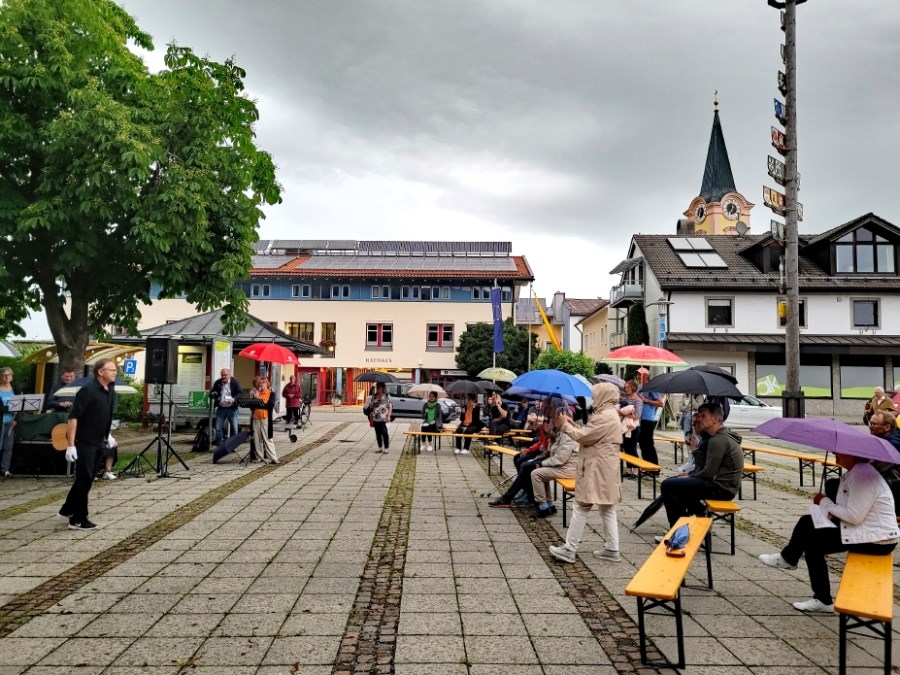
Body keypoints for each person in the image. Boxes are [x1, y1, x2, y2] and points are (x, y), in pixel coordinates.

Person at [759, 452, 899, 613]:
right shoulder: (858, 471)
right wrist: (829, 510)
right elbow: (850, 506)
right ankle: (818, 594)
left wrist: (824, 502)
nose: (834, 454)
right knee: (809, 530)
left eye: (839, 453)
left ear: (853, 455)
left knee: (811, 540)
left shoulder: (862, 477)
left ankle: (792, 563)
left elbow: (853, 516)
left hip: (877, 540)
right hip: (868, 531)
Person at [549, 382, 624, 563]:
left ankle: (569, 549)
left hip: (596, 469)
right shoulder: (609, 414)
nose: (594, 398)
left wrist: (564, 426)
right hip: (605, 468)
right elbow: (589, 432)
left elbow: (583, 437)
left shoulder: (604, 416)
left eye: (596, 394)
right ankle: (612, 548)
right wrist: (571, 423)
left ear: (603, 396)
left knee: (581, 505)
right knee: (607, 507)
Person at [658, 402, 743, 531]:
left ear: (715, 419)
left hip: (721, 489)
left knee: (668, 485)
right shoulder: (720, 437)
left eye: (703, 416)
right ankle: (695, 516)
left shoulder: (718, 440)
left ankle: (678, 531)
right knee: (677, 486)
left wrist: (690, 476)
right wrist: (694, 455)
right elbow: (705, 466)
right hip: (724, 486)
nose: (699, 419)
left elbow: (708, 473)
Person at [58, 359, 118, 529]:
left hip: (100, 441)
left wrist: (109, 435)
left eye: (115, 370)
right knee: (84, 478)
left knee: (89, 478)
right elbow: (74, 418)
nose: (115, 372)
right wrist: (70, 444)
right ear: (100, 372)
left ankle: (67, 509)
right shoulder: (88, 390)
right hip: (84, 441)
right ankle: (77, 519)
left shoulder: (110, 390)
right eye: (111, 370)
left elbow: (103, 415)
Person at [530, 416, 579, 518]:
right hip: (565, 467)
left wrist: (542, 463)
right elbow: (551, 451)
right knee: (541, 473)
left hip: (568, 470)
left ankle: (543, 507)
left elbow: (560, 459)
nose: (553, 421)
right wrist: (551, 437)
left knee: (536, 474)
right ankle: (549, 504)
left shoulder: (568, 435)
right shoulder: (562, 433)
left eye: (555, 419)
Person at [636, 367, 663, 465]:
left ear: (646, 376)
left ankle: (654, 468)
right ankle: (646, 466)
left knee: (648, 443)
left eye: (640, 374)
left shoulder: (651, 387)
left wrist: (646, 400)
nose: (638, 376)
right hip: (639, 419)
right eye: (637, 374)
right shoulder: (639, 387)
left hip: (648, 419)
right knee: (642, 444)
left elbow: (660, 403)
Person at [211, 368, 243, 447]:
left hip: (231, 408)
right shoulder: (218, 382)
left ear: (229, 375)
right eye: (222, 375)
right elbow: (211, 392)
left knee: (234, 429)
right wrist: (215, 394)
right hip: (221, 407)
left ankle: (232, 446)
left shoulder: (235, 382)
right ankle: (219, 445)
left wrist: (233, 399)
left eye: (225, 375)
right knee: (218, 428)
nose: (223, 377)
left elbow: (240, 393)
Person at [251, 376, 278, 464]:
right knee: (257, 439)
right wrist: (254, 399)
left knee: (267, 438)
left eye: (263, 383)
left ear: (267, 384)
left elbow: (270, 405)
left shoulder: (271, 393)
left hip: (265, 418)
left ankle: (273, 458)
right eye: (260, 383)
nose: (261, 384)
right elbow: (252, 407)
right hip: (256, 418)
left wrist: (260, 401)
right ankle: (259, 457)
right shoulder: (257, 394)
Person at [619, 380, 643, 478]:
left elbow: (637, 415)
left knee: (632, 448)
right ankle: (629, 470)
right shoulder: (625, 398)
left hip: (633, 427)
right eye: (625, 387)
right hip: (624, 426)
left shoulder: (638, 400)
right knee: (626, 448)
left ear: (633, 387)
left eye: (628, 387)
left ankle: (636, 471)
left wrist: (624, 412)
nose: (626, 389)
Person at [0, 367, 17, 478]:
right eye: (4, 375)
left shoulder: (15, 388)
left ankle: (5, 469)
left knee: (8, 446)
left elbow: (21, 404)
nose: (7, 377)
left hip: (11, 421)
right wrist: (9, 408)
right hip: (0, 420)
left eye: (9, 375)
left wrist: (16, 420)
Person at [367, 382, 393, 454]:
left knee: (384, 432)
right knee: (378, 433)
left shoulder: (387, 396)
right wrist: (373, 403)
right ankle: (380, 447)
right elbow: (370, 407)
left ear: (382, 388)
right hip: (375, 417)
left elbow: (390, 406)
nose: (378, 388)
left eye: (379, 387)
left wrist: (389, 416)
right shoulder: (374, 396)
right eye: (377, 387)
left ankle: (386, 448)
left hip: (384, 417)